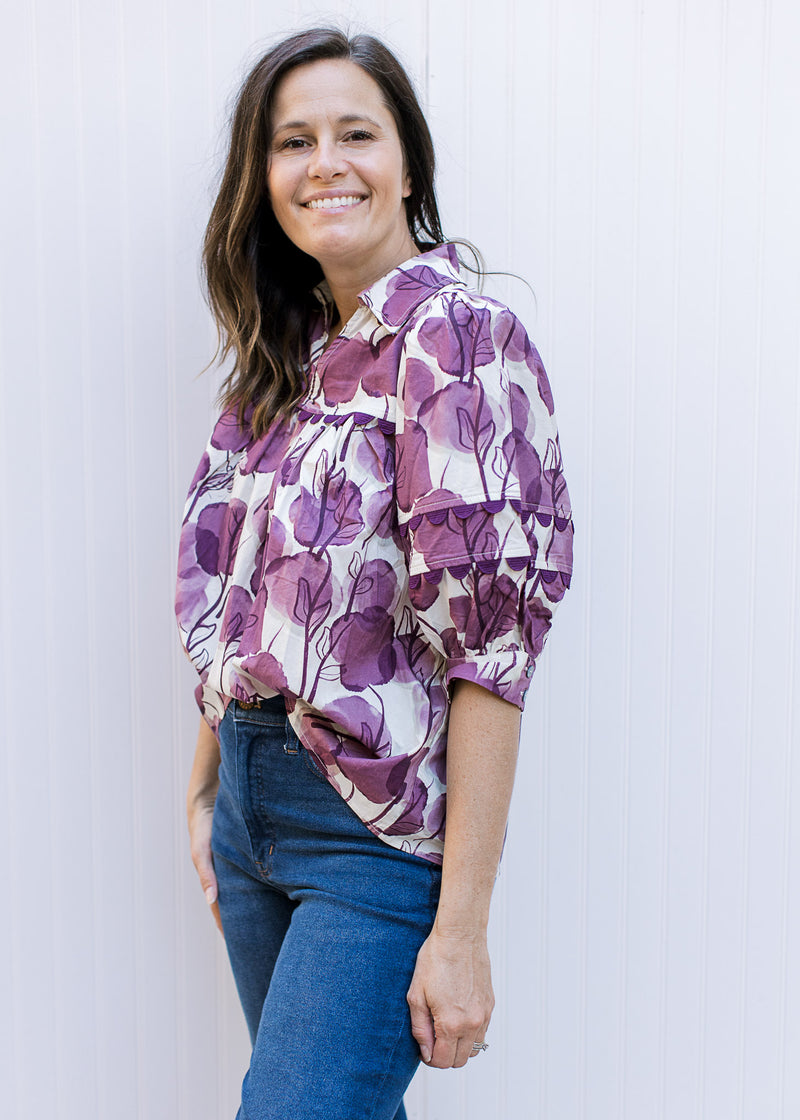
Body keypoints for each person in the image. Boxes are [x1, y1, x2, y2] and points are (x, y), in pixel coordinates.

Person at [176, 26, 573, 1120]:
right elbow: (240, 601)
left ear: (407, 161)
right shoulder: (285, 356)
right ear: (263, 180)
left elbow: (492, 648)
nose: (324, 162)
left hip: (371, 828)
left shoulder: (459, 340)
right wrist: (206, 790)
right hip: (252, 810)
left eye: (356, 132)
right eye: (292, 140)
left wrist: (461, 931)